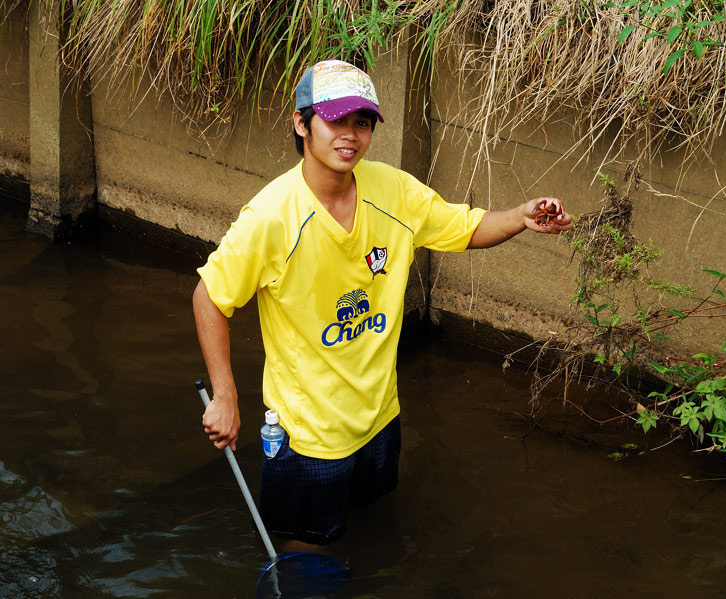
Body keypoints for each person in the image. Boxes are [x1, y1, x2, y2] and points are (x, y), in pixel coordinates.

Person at [193, 59, 572, 553]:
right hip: (309, 434)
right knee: (305, 553)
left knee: (370, 526)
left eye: (363, 122)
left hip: (379, 417)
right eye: (335, 120)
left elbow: (465, 227)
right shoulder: (270, 218)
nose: (350, 134)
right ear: (301, 123)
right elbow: (209, 296)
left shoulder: (392, 190)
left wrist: (521, 217)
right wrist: (226, 395)